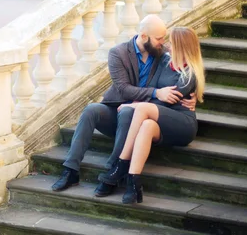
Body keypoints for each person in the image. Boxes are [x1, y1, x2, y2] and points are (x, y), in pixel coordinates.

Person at [51, 15, 196, 197]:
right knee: (91, 110)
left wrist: (194, 94)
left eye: (164, 39)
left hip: (139, 114)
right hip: (117, 109)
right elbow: (124, 89)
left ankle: (113, 171)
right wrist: (155, 93)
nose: (164, 43)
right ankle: (70, 170)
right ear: (144, 36)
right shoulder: (117, 53)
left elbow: (189, 60)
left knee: (129, 111)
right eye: (159, 39)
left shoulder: (161, 53)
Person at [98, 27, 205, 204]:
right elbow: (154, 88)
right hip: (160, 117)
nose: (167, 45)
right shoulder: (165, 62)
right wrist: (141, 102)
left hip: (182, 123)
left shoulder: (190, 73)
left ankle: (120, 164)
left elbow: (167, 100)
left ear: (181, 46)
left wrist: (136, 104)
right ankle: (134, 183)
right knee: (146, 126)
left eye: (172, 42)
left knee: (141, 110)